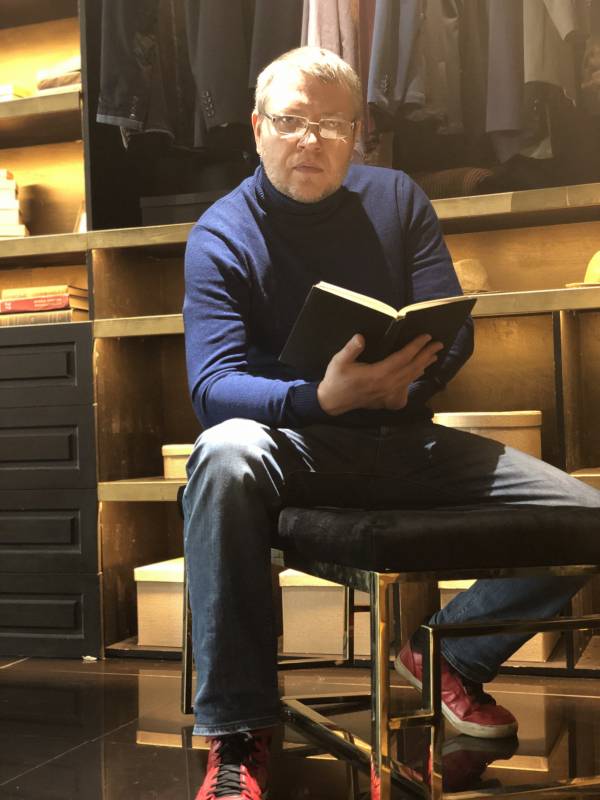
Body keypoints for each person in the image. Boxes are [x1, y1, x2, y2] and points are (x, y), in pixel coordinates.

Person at [182, 46, 600, 800]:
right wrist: (321, 400)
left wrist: (406, 384)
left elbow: (453, 327)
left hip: (409, 437)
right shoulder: (222, 232)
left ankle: (449, 656)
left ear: (358, 134)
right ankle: (238, 731)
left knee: (588, 515)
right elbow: (213, 387)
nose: (311, 139)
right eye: (291, 121)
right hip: (297, 447)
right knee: (223, 451)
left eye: (332, 124)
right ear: (257, 128)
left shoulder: (398, 197)